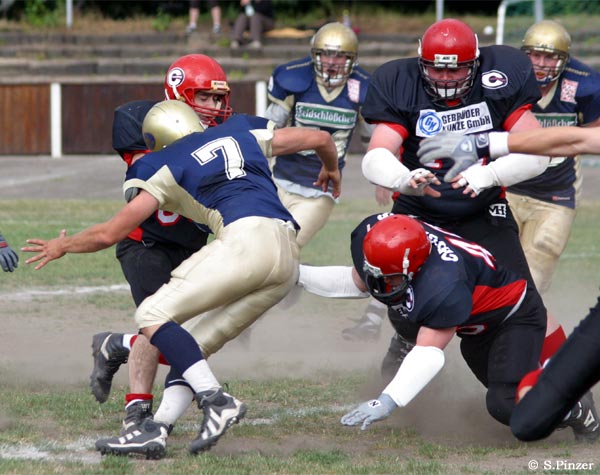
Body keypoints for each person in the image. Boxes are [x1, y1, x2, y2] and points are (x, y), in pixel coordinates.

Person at [23, 100, 340, 458]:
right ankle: (155, 430)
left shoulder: (164, 162)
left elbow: (111, 233)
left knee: (151, 314)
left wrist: (63, 245)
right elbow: (321, 138)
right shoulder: (240, 132)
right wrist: (331, 170)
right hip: (287, 250)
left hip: (246, 240)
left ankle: (216, 401)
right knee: (191, 348)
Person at [357, 18, 569, 386]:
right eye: (436, 68)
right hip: (420, 212)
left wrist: (490, 174)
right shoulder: (400, 82)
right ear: (421, 63)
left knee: (526, 303)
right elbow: (377, 154)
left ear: (475, 64)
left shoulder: (501, 78)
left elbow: (539, 152)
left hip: (482, 211)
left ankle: (569, 378)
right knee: (404, 299)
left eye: (455, 68)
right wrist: (404, 179)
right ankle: (407, 338)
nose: (445, 78)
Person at [297, 213, 598, 441]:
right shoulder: (380, 237)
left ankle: (577, 409)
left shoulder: (443, 284)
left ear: (414, 266)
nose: (380, 283)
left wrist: (388, 401)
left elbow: (428, 352)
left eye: (390, 277)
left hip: (513, 318)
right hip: (474, 326)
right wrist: (294, 276)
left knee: (506, 404)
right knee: (403, 309)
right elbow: (359, 281)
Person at [417, 126, 600, 442]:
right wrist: (487, 143)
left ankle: (572, 401)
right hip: (484, 202)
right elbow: (576, 139)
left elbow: (571, 141)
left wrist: (485, 149)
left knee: (524, 301)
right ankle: (573, 401)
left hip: (529, 201)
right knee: (521, 408)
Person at [90, 54, 233, 438]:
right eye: (205, 97)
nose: (214, 106)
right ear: (179, 93)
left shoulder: (222, 133)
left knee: (192, 341)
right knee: (162, 327)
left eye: (218, 99)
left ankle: (115, 344)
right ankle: (136, 411)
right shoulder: (143, 122)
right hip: (146, 245)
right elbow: (144, 182)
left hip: (193, 248)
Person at [263, 21, 385, 341]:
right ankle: (283, 286)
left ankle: (287, 284)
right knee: (262, 246)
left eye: (340, 56)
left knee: (283, 246)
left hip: (321, 189)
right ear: (315, 55)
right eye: (326, 54)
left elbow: (372, 138)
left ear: (352, 59)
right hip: (280, 179)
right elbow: (269, 127)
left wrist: (381, 175)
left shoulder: (362, 88)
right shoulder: (295, 79)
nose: (332, 62)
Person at [504, 20, 600, 295]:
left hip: (555, 194)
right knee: (494, 267)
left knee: (534, 276)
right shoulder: (509, 80)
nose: (540, 64)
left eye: (549, 57)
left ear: (564, 60)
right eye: (535, 55)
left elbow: (594, 137)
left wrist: (556, 142)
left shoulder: (585, 85)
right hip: (507, 186)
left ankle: (528, 320)